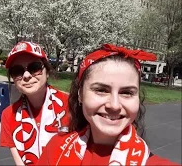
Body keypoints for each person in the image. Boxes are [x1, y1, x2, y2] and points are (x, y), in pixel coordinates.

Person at [37, 43, 180, 165]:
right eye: (101, 90)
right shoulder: (56, 149)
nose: (114, 105)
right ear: (80, 95)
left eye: (127, 92)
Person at [0, 41, 70, 165]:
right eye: (17, 71)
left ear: (47, 71)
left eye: (34, 68)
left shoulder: (71, 105)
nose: (26, 75)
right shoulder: (8, 115)